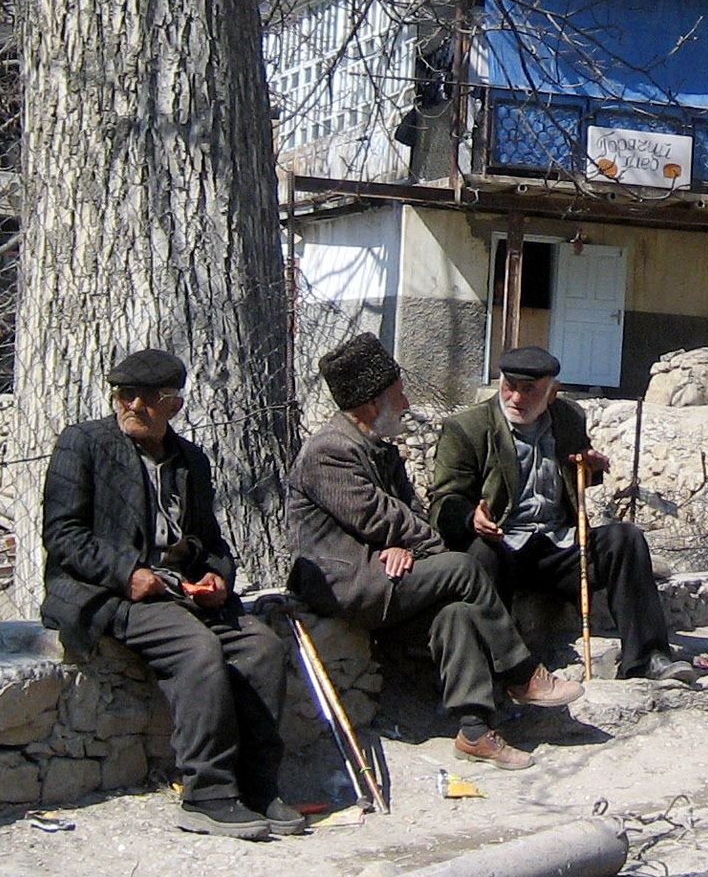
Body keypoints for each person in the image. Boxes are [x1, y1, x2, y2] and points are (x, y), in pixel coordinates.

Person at [287, 332, 581, 770]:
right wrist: (424, 547)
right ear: (371, 403)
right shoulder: (330, 451)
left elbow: (410, 513)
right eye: (398, 395)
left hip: (383, 575)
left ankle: (474, 730)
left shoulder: (377, 449)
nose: (406, 404)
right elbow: (379, 516)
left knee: (456, 614)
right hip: (342, 585)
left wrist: (405, 545)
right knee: (463, 568)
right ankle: (521, 674)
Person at [41, 348, 299, 841]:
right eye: (124, 395)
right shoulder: (84, 444)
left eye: (146, 398)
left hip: (178, 591)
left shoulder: (190, 461)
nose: (133, 406)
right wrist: (127, 573)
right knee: (196, 648)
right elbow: (63, 534)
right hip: (109, 592)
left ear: (173, 404)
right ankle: (207, 794)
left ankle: (258, 786)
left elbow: (212, 542)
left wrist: (216, 578)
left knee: (262, 648)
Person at [428, 345, 697, 685]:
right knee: (481, 554)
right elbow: (444, 501)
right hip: (504, 546)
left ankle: (647, 658)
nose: (516, 398)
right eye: (510, 386)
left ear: (551, 393)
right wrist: (471, 518)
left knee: (625, 539)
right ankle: (494, 673)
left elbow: (572, 474)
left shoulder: (569, 419)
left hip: (559, 545)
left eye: (529, 390)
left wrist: (590, 468)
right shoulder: (467, 428)